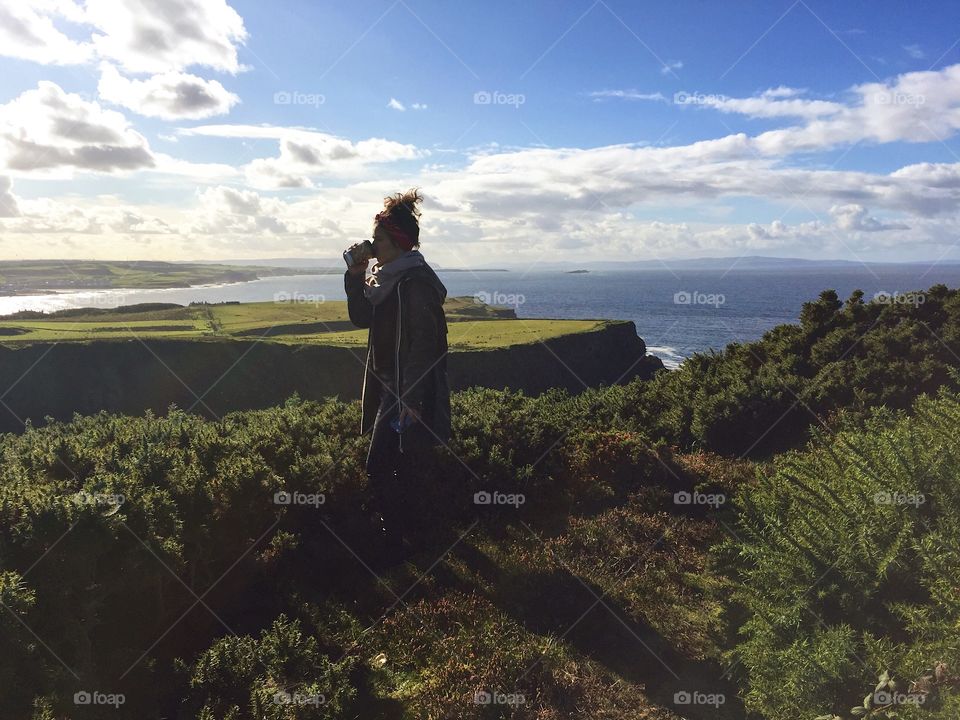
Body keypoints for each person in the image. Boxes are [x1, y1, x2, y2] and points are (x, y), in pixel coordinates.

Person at [343, 188, 450, 557]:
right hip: (389, 386)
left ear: (398, 243)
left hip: (405, 392)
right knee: (400, 465)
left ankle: (402, 545)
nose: (372, 246)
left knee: (385, 464)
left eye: (378, 240)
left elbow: (425, 345)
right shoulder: (385, 282)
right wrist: (356, 277)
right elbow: (361, 318)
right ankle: (412, 541)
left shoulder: (415, 284)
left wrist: (413, 399)